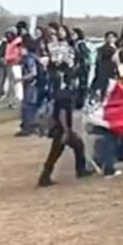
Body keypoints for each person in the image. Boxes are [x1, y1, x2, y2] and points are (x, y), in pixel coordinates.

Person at [38, 54, 93, 187]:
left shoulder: (59, 90)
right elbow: (63, 113)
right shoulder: (65, 93)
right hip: (62, 128)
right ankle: (46, 176)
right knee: (58, 151)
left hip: (61, 128)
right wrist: (66, 131)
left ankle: (78, 170)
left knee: (74, 146)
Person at [91, 61, 123, 177]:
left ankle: (98, 160)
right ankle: (108, 168)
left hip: (101, 117)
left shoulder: (105, 84)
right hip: (115, 120)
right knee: (110, 142)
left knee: (104, 140)